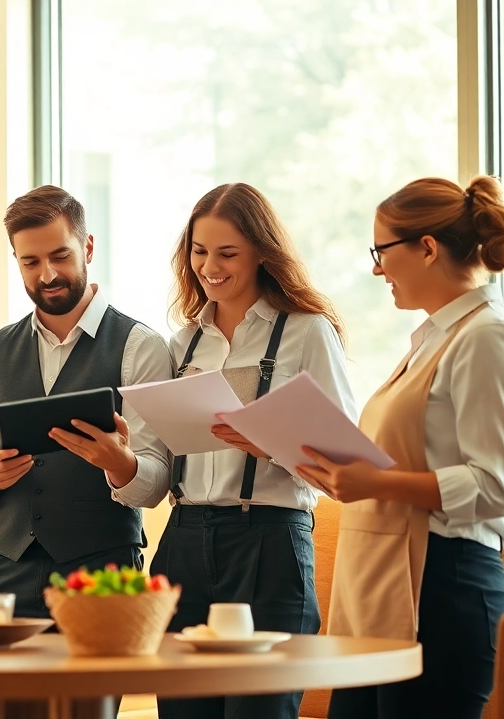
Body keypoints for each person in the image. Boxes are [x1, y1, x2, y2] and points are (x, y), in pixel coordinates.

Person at [296, 176, 504, 719]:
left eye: (381, 251)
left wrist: (375, 483)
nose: (376, 268)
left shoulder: (489, 341)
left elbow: (498, 487)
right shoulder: (434, 339)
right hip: (390, 590)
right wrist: (336, 472)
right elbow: (408, 464)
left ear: (427, 248)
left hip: (446, 591)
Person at [0, 185, 174, 719]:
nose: (47, 274)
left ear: (88, 247)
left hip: (101, 577)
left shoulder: (140, 347)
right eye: (30, 262)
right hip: (3, 573)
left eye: (59, 256)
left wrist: (121, 466)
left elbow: (159, 478)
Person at [149, 183, 357, 719]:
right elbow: (158, 456)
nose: (209, 266)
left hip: (268, 540)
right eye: (199, 252)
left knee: (260, 710)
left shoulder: (307, 332)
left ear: (263, 252)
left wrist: (274, 444)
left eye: (227, 253)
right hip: (184, 541)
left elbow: (346, 458)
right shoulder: (181, 345)